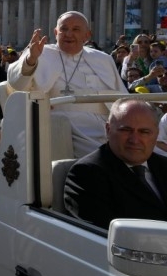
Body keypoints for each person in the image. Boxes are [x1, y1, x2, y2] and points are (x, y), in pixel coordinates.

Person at [7, 11, 128, 158]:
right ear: (56, 32)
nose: (69, 34)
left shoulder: (103, 59)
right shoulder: (39, 52)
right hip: (63, 123)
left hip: (106, 125)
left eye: (76, 29)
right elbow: (16, 83)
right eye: (64, 29)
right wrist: (31, 60)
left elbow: (122, 97)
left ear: (87, 35)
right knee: (111, 157)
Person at [64, 98, 167, 229]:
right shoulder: (86, 174)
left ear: (156, 134)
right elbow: (101, 237)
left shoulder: (163, 166)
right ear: (108, 130)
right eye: (126, 130)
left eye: (144, 132)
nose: (134, 140)